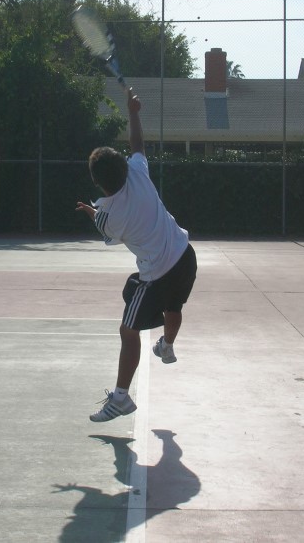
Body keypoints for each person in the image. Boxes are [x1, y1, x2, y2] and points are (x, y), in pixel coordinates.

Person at [76, 88, 197, 422]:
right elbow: (138, 145)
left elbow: (102, 224)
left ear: (99, 185)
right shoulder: (139, 172)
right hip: (185, 256)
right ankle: (167, 345)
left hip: (157, 274)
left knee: (128, 332)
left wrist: (90, 211)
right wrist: (133, 111)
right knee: (174, 307)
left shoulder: (109, 217)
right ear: (125, 167)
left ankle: (121, 398)